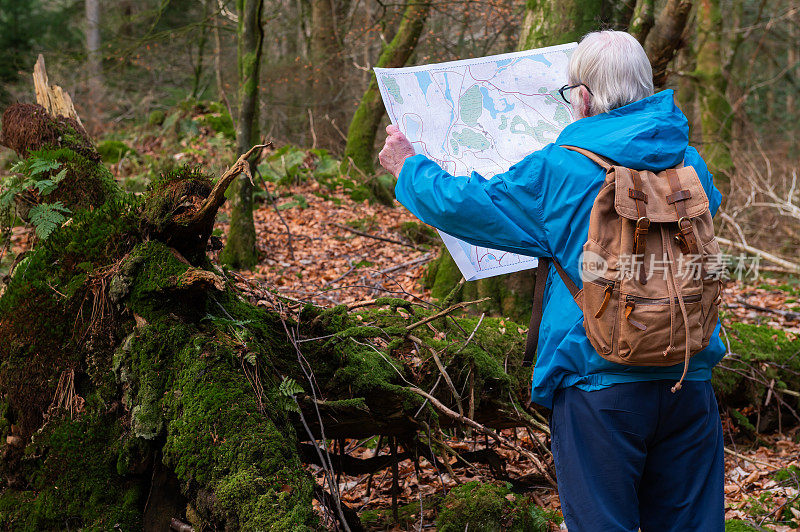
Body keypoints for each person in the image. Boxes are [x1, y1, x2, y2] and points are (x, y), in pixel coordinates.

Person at [378, 30, 726, 532]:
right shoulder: (689, 163)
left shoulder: (561, 169)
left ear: (583, 96)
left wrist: (409, 169)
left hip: (596, 380)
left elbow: (468, 205)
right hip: (689, 374)